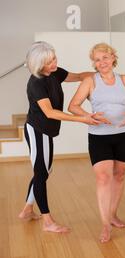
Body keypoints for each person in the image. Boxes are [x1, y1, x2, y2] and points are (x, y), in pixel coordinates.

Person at [68, 43, 125, 243]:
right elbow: (73, 106)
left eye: (105, 57)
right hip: (99, 136)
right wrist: (89, 116)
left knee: (120, 175)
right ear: (94, 63)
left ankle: (112, 214)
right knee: (103, 178)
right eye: (97, 60)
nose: (102, 62)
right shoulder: (90, 81)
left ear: (113, 57)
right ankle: (105, 224)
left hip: (124, 135)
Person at [18, 41, 101, 233]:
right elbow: (50, 113)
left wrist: (102, 72)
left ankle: (27, 210)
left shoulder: (54, 72)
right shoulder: (36, 83)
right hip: (38, 130)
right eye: (48, 61)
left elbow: (80, 76)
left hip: (46, 131)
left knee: (45, 170)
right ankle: (48, 222)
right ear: (39, 65)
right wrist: (82, 118)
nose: (54, 63)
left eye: (54, 58)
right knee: (41, 173)